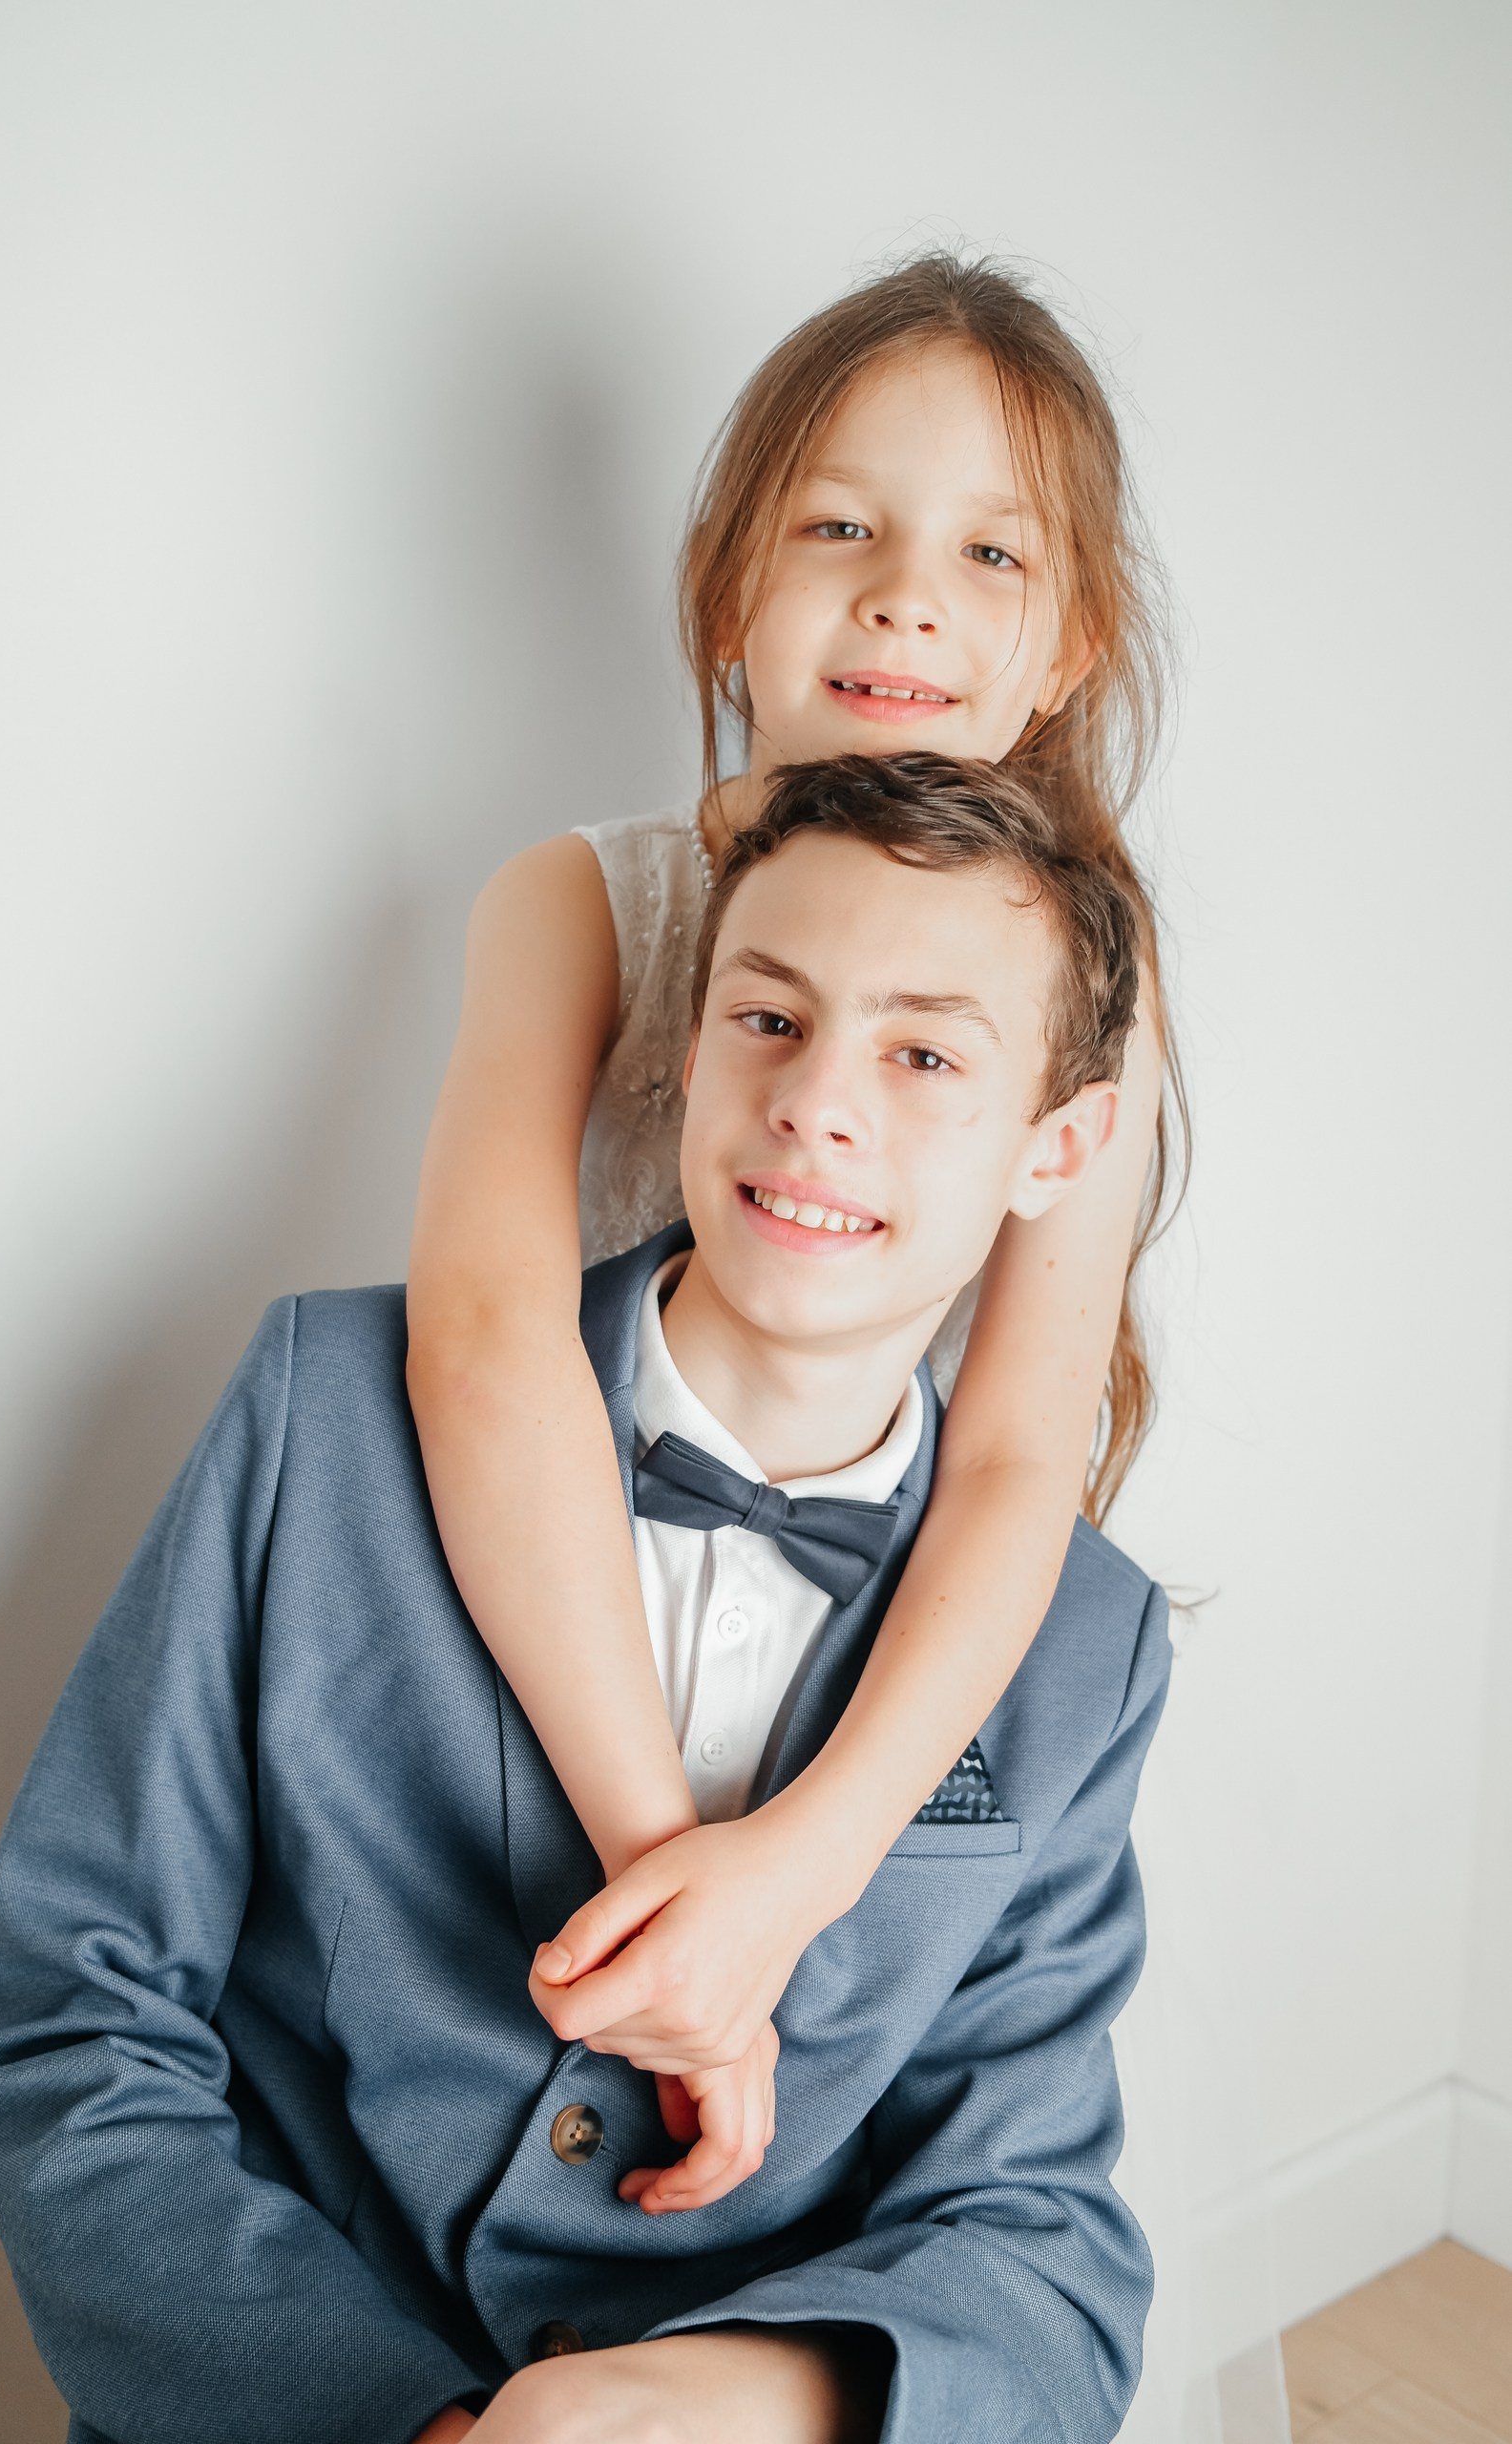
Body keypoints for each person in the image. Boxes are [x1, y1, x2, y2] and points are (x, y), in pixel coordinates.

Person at [0, 755, 1170, 2444]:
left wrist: (730, 2403)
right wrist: (420, 2425)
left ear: (1061, 1146)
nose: (818, 1102)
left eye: (924, 1055)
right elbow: (64, 2027)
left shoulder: (1084, 1645)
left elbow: (1041, 2252)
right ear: (688, 1052)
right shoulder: (322, 1414)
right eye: (770, 1019)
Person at [408, 252, 1178, 2205]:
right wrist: (673, 1868)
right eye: (841, 526)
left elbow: (1016, 1453)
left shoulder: (1103, 998)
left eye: (989, 555)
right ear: (726, 589)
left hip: (854, 1703)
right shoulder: (581, 902)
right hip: (534, 1619)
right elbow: (487, 1335)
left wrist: (795, 1872)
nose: (907, 593)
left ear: (1071, 645)